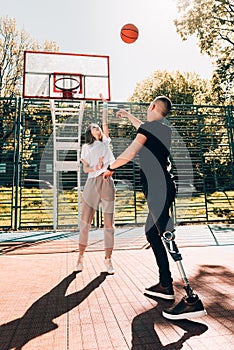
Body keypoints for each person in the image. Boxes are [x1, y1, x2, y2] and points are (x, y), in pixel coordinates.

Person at [103, 96, 204, 319]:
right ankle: (166, 285)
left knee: (165, 234)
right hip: (166, 186)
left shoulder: (148, 129)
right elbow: (143, 127)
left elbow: (130, 153)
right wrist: (129, 116)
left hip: (158, 189)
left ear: (151, 107)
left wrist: (110, 167)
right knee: (152, 233)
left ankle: (190, 299)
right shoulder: (163, 129)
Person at [77, 96, 115, 274]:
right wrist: (95, 167)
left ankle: (108, 260)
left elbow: (105, 122)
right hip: (92, 182)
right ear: (89, 132)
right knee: (86, 222)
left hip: (107, 181)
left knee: (109, 224)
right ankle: (80, 257)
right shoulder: (86, 147)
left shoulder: (106, 141)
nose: (97, 128)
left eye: (97, 127)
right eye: (93, 127)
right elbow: (85, 169)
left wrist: (104, 104)